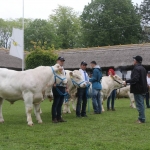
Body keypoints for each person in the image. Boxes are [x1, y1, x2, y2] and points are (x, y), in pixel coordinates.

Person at [125, 56, 147, 123]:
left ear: (136, 61)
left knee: (139, 104)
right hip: (143, 88)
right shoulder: (143, 68)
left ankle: (141, 119)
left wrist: (126, 81)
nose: (133, 61)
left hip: (137, 89)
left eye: (134, 60)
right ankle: (142, 118)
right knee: (142, 104)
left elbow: (135, 79)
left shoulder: (136, 69)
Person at [51, 56, 68, 123]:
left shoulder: (63, 69)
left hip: (63, 86)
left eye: (63, 61)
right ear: (57, 61)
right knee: (56, 103)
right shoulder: (54, 69)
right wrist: (53, 83)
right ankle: (54, 117)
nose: (62, 62)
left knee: (60, 103)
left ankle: (59, 117)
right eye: (61, 61)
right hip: (57, 86)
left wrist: (67, 87)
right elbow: (51, 77)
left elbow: (65, 78)